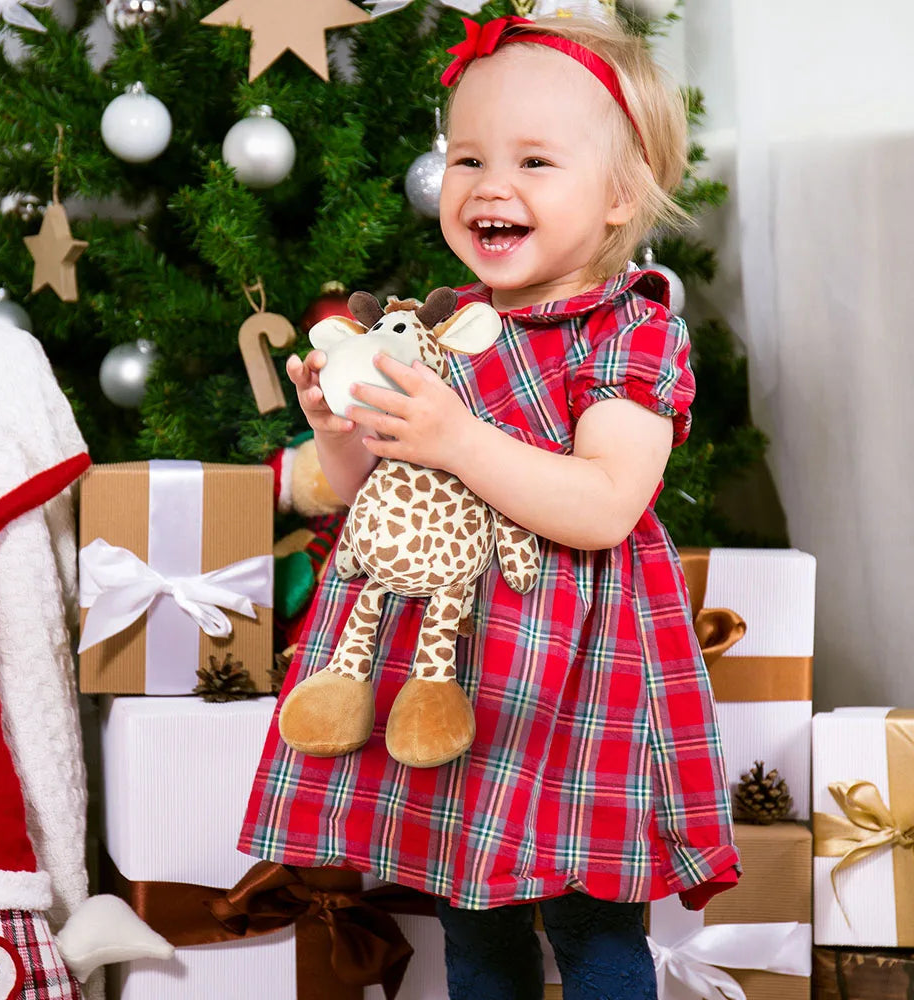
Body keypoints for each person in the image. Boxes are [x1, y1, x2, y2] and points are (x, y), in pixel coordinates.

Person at [240, 12, 739, 999]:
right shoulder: (437, 328)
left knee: (594, 933)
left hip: (577, 682)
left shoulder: (627, 330)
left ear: (617, 195)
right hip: (460, 670)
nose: (489, 185)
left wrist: (457, 437)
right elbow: (375, 503)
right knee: (475, 925)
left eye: (535, 161)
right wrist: (342, 429)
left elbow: (603, 504)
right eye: (465, 157)